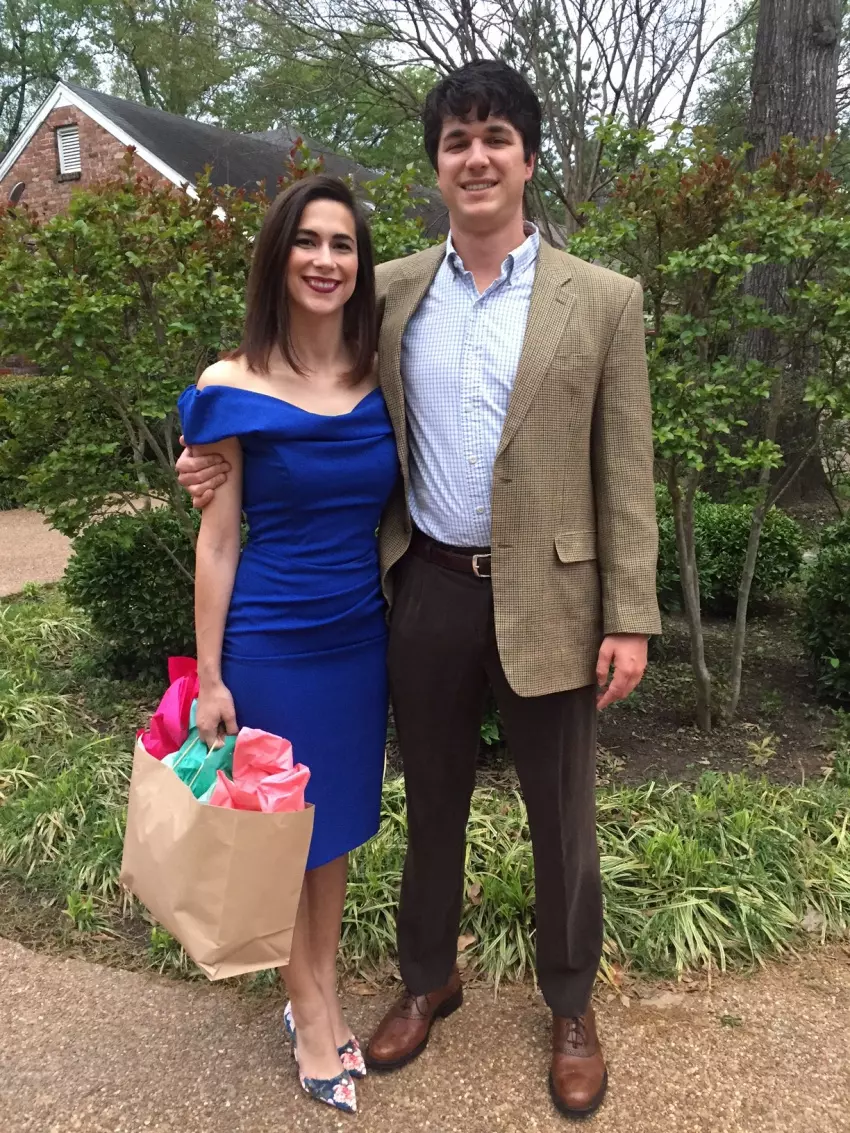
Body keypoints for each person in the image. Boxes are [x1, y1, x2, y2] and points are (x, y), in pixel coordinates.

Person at [178, 61, 660, 1120]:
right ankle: (427, 978)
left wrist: (630, 615)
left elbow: (627, 471)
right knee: (431, 801)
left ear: (527, 159)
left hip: (551, 599)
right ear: (437, 165)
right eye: (456, 142)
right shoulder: (388, 289)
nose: (475, 158)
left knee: (561, 813)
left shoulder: (603, 300)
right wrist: (210, 449)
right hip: (424, 587)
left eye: (496, 138)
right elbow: (286, 370)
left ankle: (569, 1003)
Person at [179, 175, 398, 1116]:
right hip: (269, 641)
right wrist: (210, 677)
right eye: (308, 240)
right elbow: (218, 540)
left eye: (342, 244)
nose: (325, 259)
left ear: (360, 266)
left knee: (333, 826)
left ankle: (321, 983)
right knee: (282, 830)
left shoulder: (381, 375)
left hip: (359, 642)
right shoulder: (230, 385)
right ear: (279, 257)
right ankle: (307, 1006)